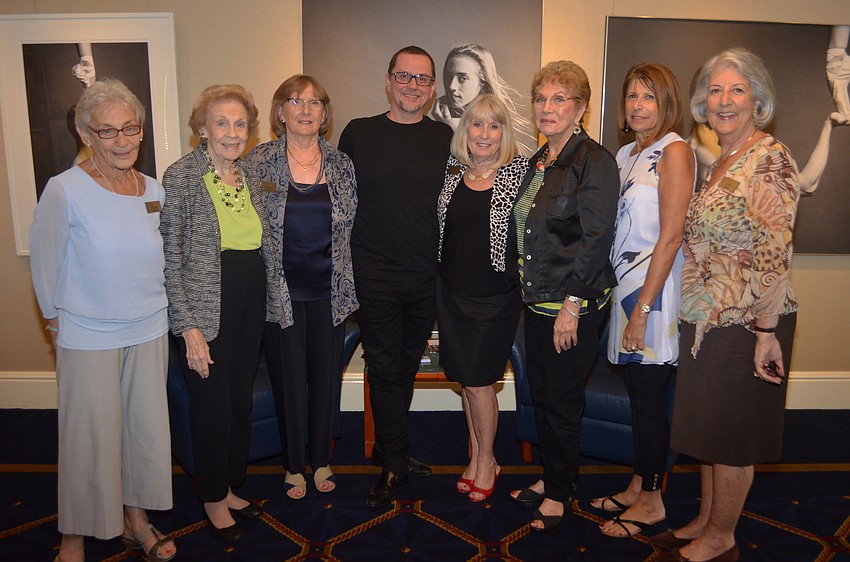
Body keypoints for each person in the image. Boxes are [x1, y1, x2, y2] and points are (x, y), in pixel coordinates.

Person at [651, 48, 800, 562]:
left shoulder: (770, 157)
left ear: (757, 101)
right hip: (706, 317)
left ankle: (722, 538)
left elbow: (775, 249)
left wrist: (765, 331)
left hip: (747, 319)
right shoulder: (723, 161)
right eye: (715, 91)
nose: (724, 100)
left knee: (732, 438)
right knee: (709, 434)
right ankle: (705, 520)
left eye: (737, 90)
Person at [29, 79, 176, 562]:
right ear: (86, 134)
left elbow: (161, 260)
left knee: (144, 432)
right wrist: (55, 325)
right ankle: (74, 536)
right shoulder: (64, 190)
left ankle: (136, 519)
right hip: (87, 332)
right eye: (107, 131)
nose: (122, 140)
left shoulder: (152, 190)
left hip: (149, 326)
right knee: (88, 439)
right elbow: (45, 263)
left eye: (130, 128)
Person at [160, 84, 285, 541]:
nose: (232, 133)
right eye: (221, 123)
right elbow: (170, 260)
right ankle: (212, 496)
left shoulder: (250, 174)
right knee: (211, 404)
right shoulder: (182, 176)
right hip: (207, 305)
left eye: (240, 124)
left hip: (250, 298)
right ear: (201, 128)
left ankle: (231, 485)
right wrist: (188, 327)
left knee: (237, 397)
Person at [338, 45, 453, 508]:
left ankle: (392, 450)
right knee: (384, 368)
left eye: (422, 79)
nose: (412, 85)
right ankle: (392, 465)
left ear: (431, 90)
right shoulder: (359, 133)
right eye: (404, 76)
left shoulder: (445, 138)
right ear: (389, 80)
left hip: (426, 277)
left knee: (405, 367)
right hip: (375, 275)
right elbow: (337, 203)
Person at [507, 61, 620, 531]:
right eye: (541, 99)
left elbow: (596, 239)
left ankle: (560, 492)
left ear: (580, 108)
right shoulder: (540, 160)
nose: (547, 108)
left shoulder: (594, 161)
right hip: (537, 302)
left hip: (571, 307)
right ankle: (550, 475)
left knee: (563, 401)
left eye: (559, 99)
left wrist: (572, 306)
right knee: (544, 396)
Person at [592, 63, 696, 538]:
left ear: (667, 104)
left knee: (651, 400)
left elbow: (672, 236)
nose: (637, 105)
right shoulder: (627, 153)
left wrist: (643, 309)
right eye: (632, 96)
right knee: (638, 397)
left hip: (653, 293)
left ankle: (653, 501)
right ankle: (639, 484)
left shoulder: (674, 152)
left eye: (649, 97)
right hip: (625, 288)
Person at [245, 75, 358, 500]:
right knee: (289, 380)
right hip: (281, 295)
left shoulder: (342, 164)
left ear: (324, 114)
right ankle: (294, 465)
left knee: (326, 380)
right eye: (296, 101)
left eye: (314, 102)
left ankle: (322, 459)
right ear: (281, 111)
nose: (306, 109)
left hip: (331, 292)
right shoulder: (257, 163)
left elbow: (353, 229)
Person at [437, 94, 526, 503]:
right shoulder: (452, 173)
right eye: (477, 125)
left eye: (494, 126)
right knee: (465, 382)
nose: (484, 134)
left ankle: (488, 460)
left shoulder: (519, 175)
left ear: (503, 133)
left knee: (478, 382)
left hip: (495, 299)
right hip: (452, 294)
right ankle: (475, 457)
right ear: (465, 131)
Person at [429, 43, 534, 154]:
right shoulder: (441, 123)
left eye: (463, 78)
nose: (451, 86)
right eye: (448, 77)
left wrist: (456, 132)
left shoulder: (497, 132)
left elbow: (479, 166)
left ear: (483, 82)